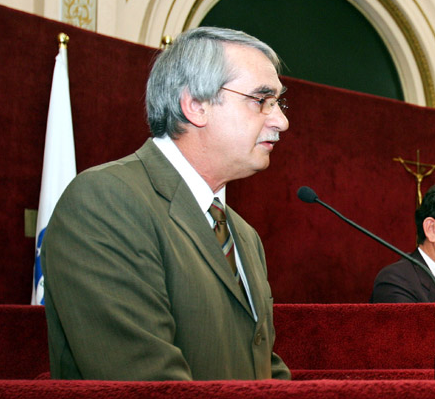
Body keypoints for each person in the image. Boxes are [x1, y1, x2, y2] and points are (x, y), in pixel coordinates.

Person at [42, 26, 291, 380]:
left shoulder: (244, 235)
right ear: (195, 106)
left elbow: (262, 367)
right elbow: (146, 388)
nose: (281, 120)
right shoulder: (104, 201)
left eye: (279, 102)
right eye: (261, 100)